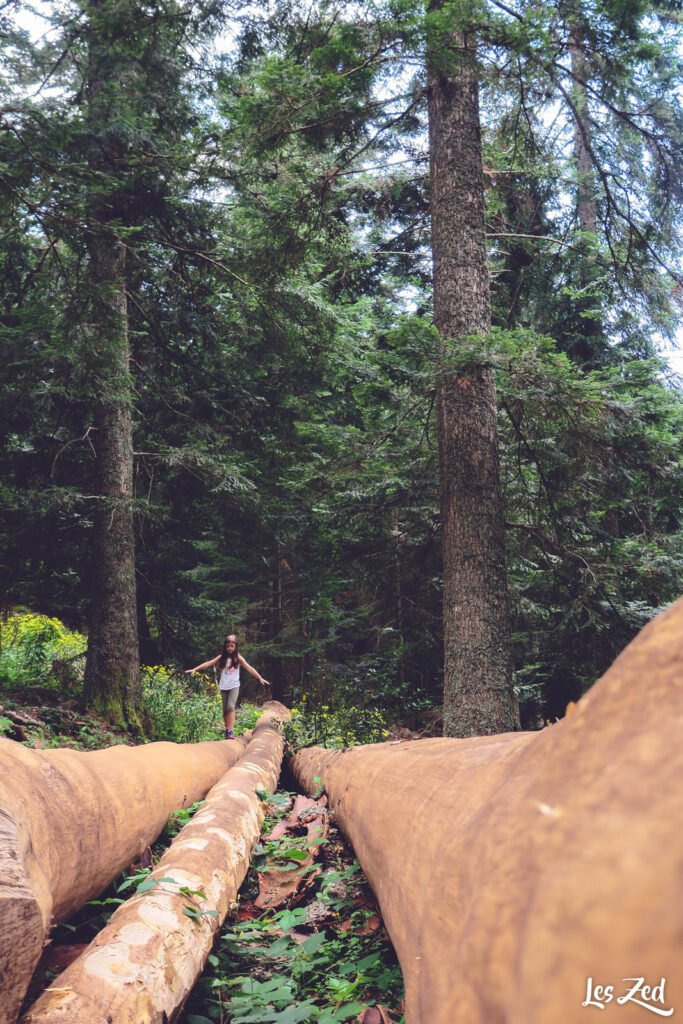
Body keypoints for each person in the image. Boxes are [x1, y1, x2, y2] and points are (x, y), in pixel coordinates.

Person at [186, 635, 269, 739]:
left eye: (232, 646)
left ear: (235, 647)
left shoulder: (238, 657)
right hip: (224, 686)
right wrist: (195, 669)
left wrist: (259, 677)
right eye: (228, 646)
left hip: (234, 685)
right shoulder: (222, 657)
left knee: (230, 707)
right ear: (225, 647)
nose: (230, 648)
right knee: (225, 710)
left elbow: (249, 667)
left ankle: (231, 730)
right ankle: (227, 730)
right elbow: (209, 663)